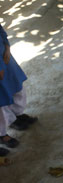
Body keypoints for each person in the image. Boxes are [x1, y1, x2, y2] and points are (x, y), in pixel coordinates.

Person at [0, 23, 38, 161]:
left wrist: (7, 47)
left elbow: (0, 30)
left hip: (5, 55)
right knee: (1, 103)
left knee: (16, 88)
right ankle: (2, 134)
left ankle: (16, 116)